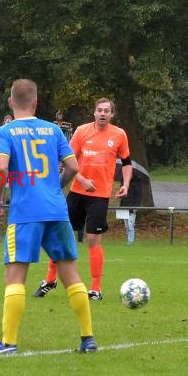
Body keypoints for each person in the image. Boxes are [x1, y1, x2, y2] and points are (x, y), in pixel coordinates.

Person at [0, 78, 96, 355]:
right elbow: (73, 166)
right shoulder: (54, 130)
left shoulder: (6, 131)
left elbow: (0, 168)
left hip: (25, 213)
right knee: (71, 274)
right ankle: (88, 338)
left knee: (15, 276)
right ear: (35, 102)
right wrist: (55, 186)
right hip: (57, 210)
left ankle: (8, 344)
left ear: (10, 102)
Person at [33, 97, 132, 300]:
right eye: (99, 110)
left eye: (107, 110)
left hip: (101, 195)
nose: (103, 113)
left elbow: (127, 162)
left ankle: (95, 288)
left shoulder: (119, 134)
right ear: (94, 113)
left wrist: (126, 184)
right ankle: (50, 279)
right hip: (77, 192)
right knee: (60, 236)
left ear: (112, 114)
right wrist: (82, 179)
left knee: (93, 239)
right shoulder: (81, 131)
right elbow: (68, 161)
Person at [119, 170, 142, 245]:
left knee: (130, 225)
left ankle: (130, 242)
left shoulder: (137, 182)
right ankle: (128, 240)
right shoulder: (123, 181)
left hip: (132, 207)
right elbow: (121, 194)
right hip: (124, 205)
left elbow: (138, 196)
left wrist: (136, 207)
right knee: (126, 226)